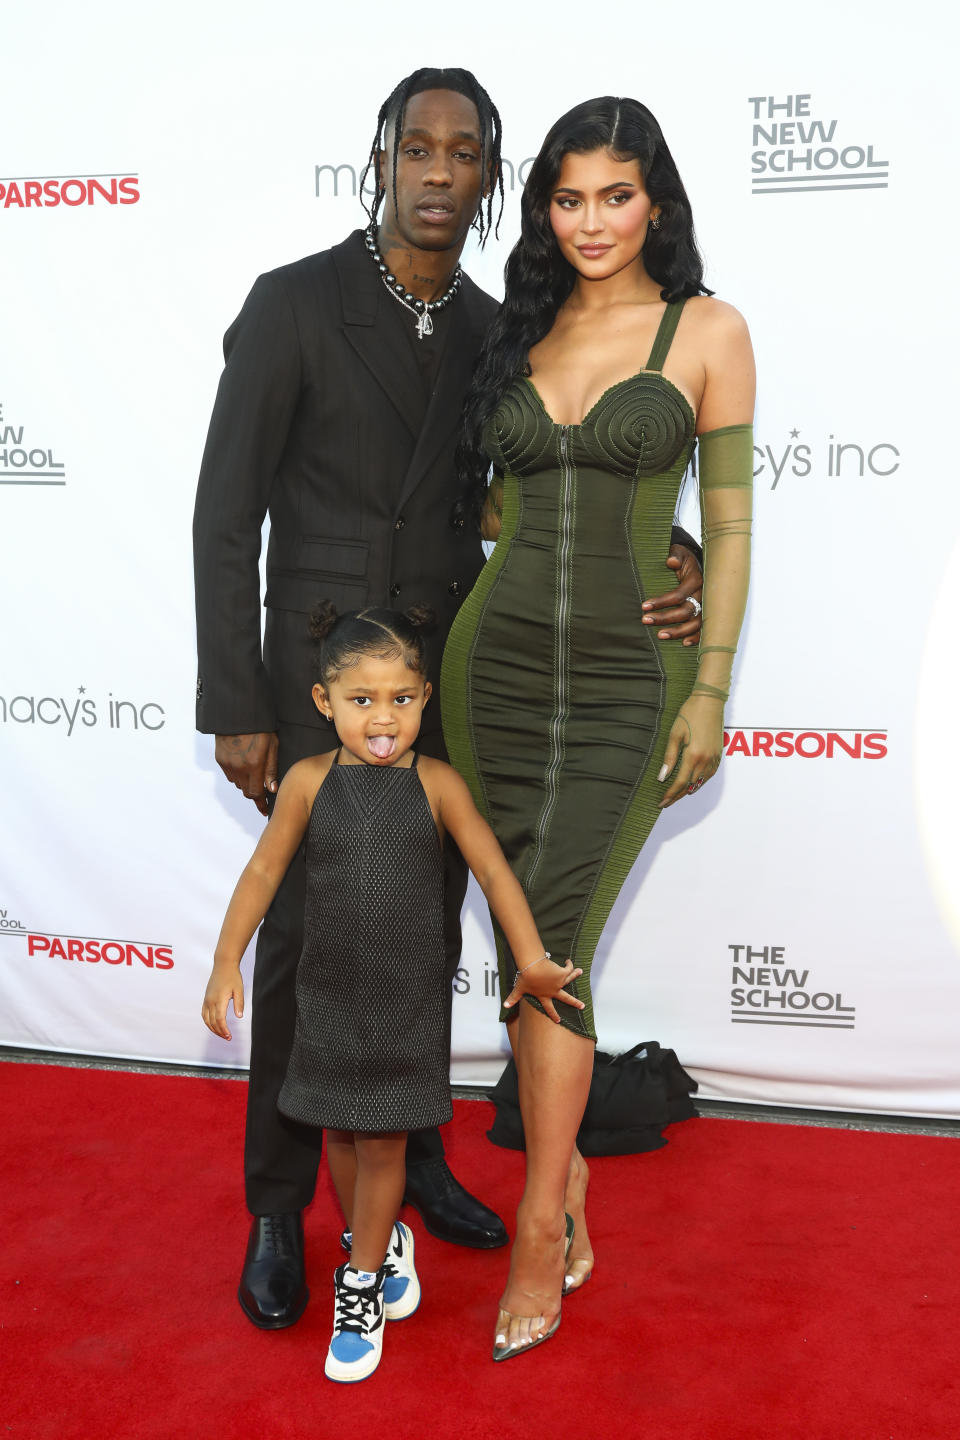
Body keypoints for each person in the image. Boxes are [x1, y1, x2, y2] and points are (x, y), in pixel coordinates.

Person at [192, 68, 704, 1330]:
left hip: (444, 683)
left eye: (462, 152)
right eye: (414, 147)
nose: (435, 170)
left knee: (421, 939)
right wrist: (238, 699)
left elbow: (528, 500)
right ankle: (277, 1207)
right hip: (317, 682)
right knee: (310, 946)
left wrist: (673, 555)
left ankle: (416, 1168)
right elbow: (223, 515)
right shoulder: (293, 304)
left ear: (489, 181)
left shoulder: (493, 329)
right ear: (381, 159)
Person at [442, 95, 754, 1359]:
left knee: (553, 936)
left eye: (614, 196)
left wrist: (714, 686)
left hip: (634, 681)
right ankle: (562, 1195)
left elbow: (729, 527)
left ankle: (535, 1232)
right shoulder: (517, 330)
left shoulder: (709, 330)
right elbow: (489, 511)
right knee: (533, 940)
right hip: (491, 669)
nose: (590, 221)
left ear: (656, 203)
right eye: (568, 198)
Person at [201, 604, 584, 1381]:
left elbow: (493, 872)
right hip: (328, 996)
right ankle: (379, 1242)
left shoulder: (438, 785)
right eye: (362, 700)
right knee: (338, 1133)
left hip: (405, 1004)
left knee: (380, 1141)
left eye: (401, 700)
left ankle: (362, 1282)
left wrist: (532, 960)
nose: (383, 719)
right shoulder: (308, 784)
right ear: (324, 702)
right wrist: (224, 959)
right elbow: (263, 875)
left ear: (423, 698)